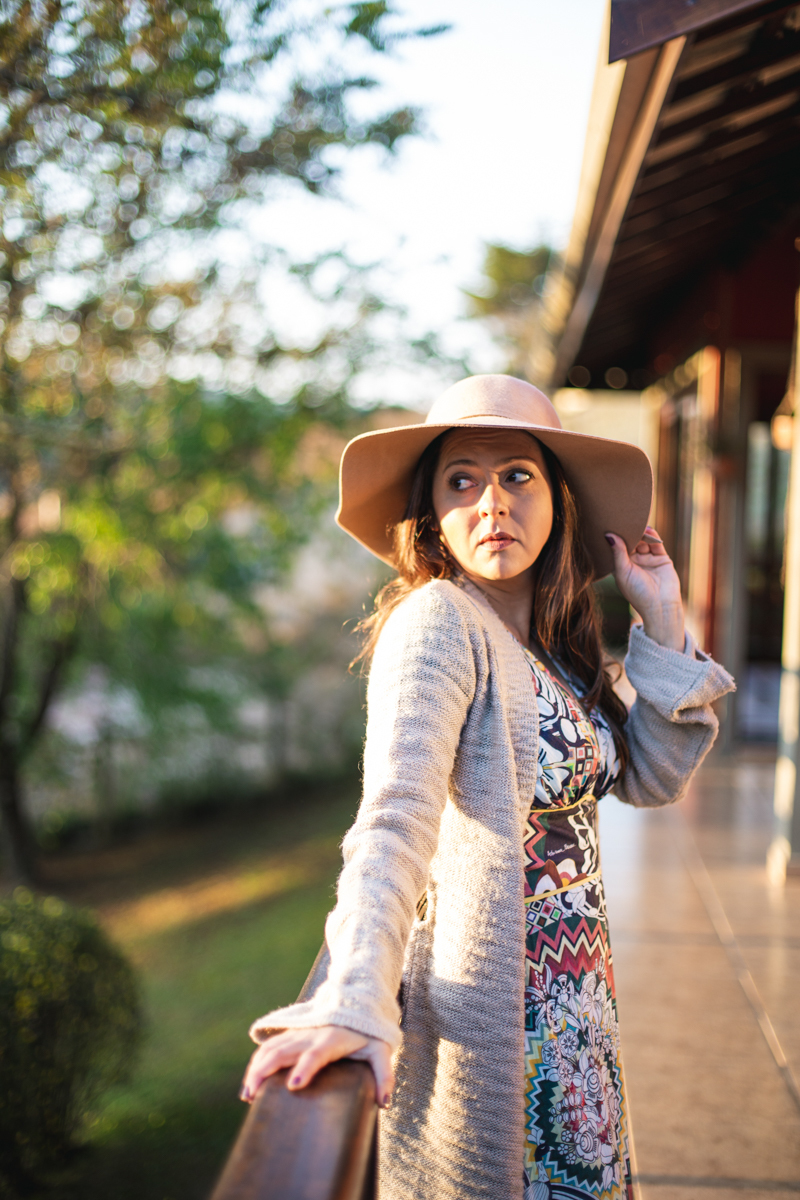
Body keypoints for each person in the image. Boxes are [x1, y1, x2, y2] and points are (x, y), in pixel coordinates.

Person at [240, 375, 734, 1200]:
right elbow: (393, 820)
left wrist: (664, 619)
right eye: (461, 480)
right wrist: (354, 997)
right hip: (501, 1026)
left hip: (579, 1016)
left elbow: (650, 778)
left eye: (517, 476)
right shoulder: (438, 622)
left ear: (558, 499)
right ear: (433, 512)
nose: (490, 502)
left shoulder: (548, 641)